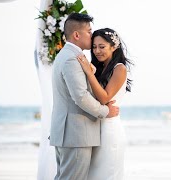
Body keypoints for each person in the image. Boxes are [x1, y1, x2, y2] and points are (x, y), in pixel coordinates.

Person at [50, 13, 119, 180]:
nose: (92, 34)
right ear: (76, 35)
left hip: (68, 133)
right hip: (76, 135)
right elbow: (80, 97)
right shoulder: (71, 59)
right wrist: (105, 111)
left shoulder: (66, 56)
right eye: (89, 31)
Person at [77, 28, 133, 180]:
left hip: (110, 131)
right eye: (94, 47)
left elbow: (104, 98)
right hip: (96, 128)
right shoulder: (99, 69)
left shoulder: (119, 68)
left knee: (108, 174)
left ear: (113, 47)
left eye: (102, 47)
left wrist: (89, 73)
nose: (97, 51)